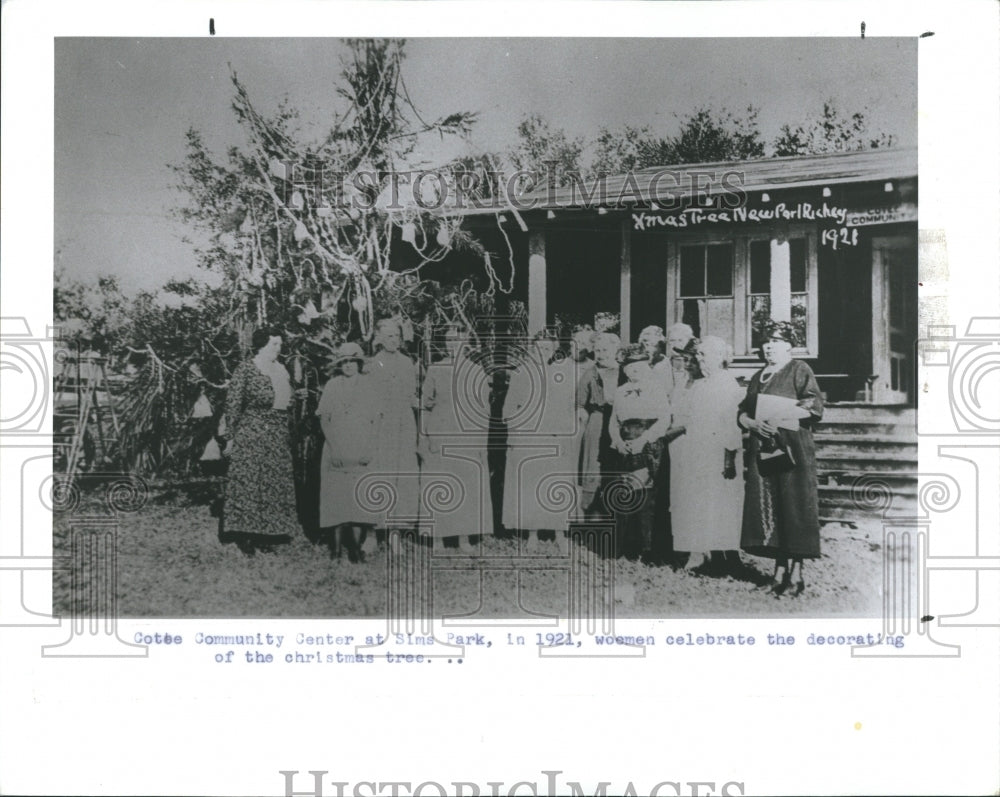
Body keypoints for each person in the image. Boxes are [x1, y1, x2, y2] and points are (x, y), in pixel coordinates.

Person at [739, 322, 824, 597]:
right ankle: (778, 573)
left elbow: (813, 406)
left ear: (789, 346)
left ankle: (796, 575)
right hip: (765, 448)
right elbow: (743, 411)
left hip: (793, 448)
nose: (769, 347)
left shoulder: (799, 369)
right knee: (773, 505)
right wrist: (752, 423)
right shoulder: (758, 376)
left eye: (775, 342)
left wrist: (779, 415)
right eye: (765, 342)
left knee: (793, 506)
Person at [670, 336, 746, 575]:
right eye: (698, 354)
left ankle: (726, 557)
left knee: (721, 502)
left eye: (704, 354)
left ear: (720, 357)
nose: (699, 359)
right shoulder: (700, 386)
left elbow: (732, 424)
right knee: (699, 502)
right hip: (698, 452)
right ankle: (700, 554)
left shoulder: (728, 385)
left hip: (720, 454)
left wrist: (729, 458)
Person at [222, 328, 300, 554]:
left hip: (277, 433)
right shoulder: (247, 369)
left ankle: (267, 533)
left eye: (280, 344)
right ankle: (246, 536)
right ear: (261, 345)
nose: (279, 348)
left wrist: (295, 398)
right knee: (250, 482)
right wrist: (230, 437)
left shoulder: (281, 369)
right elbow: (233, 404)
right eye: (274, 344)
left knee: (272, 482)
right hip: (253, 431)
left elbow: (286, 400)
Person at [502, 329, 577, 552]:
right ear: (531, 349)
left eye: (547, 348)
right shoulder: (521, 373)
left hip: (554, 436)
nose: (542, 352)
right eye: (539, 348)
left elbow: (568, 406)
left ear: (554, 350)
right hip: (529, 438)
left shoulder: (561, 373)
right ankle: (532, 534)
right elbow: (508, 409)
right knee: (531, 486)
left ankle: (559, 533)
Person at [420, 325, 492, 553]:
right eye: (449, 340)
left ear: (466, 342)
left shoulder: (476, 371)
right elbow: (425, 405)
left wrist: (482, 443)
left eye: (458, 340)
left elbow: (484, 410)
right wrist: (425, 436)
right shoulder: (435, 369)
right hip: (440, 433)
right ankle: (438, 538)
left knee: (466, 483)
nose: (453, 344)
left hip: (467, 435)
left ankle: (463, 538)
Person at [608, 344, 673, 561]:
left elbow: (664, 419)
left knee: (646, 495)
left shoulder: (655, 388)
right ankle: (625, 547)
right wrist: (618, 441)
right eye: (629, 366)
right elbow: (614, 421)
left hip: (648, 445)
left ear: (647, 366)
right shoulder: (620, 391)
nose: (634, 370)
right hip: (625, 445)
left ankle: (648, 549)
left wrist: (643, 441)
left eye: (639, 365)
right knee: (625, 492)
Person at [315, 342, 379, 562]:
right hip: (336, 447)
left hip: (361, 447)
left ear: (359, 363)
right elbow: (324, 419)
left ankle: (355, 550)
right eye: (344, 362)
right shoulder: (332, 385)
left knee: (359, 500)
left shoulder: (369, 386)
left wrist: (369, 448)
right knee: (336, 498)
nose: (349, 365)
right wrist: (333, 448)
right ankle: (335, 550)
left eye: (353, 361)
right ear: (339, 365)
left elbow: (376, 421)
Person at [367, 318, 421, 551]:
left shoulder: (407, 363)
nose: (394, 340)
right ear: (379, 338)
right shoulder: (371, 364)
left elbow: (411, 396)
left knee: (402, 475)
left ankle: (395, 533)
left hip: (403, 425)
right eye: (389, 336)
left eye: (397, 336)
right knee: (379, 474)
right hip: (380, 426)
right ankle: (372, 533)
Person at [576, 331, 622, 521]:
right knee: (594, 465)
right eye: (597, 350)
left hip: (619, 422)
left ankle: (616, 515)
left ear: (615, 350)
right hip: (597, 421)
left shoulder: (624, 372)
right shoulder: (590, 373)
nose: (601, 354)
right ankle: (592, 514)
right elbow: (580, 404)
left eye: (605, 350)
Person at [658, 322, 695, 399]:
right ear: (668, 343)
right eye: (672, 340)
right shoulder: (659, 368)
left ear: (689, 342)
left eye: (680, 340)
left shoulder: (695, 368)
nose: (676, 344)